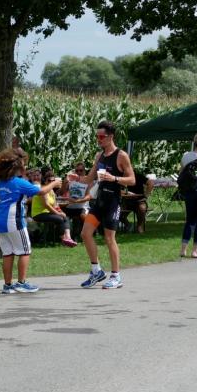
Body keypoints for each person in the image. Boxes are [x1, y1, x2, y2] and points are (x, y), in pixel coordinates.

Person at [0, 147, 62, 294]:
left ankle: (7, 286)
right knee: (25, 251)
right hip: (14, 221)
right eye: (24, 164)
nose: (26, 167)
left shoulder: (1, 182)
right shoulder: (18, 182)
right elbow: (42, 191)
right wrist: (55, 183)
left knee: (8, 253)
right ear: (18, 167)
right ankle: (21, 283)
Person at [79, 120, 135, 290]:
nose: (99, 139)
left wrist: (114, 178)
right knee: (85, 233)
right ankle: (96, 271)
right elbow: (89, 178)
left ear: (111, 136)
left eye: (101, 136)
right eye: (97, 136)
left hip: (113, 202)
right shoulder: (99, 156)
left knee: (109, 238)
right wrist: (77, 179)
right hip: (100, 201)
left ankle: (116, 276)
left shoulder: (121, 155)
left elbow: (132, 180)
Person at [31, 170, 78, 247]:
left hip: (47, 212)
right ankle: (63, 240)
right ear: (45, 181)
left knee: (65, 217)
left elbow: (55, 204)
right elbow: (46, 205)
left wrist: (61, 212)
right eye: (49, 180)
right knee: (59, 219)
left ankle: (68, 238)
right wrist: (58, 213)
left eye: (53, 181)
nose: (51, 182)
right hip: (38, 214)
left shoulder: (51, 191)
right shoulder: (43, 189)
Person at [121, 168, 154, 233]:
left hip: (139, 200)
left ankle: (139, 226)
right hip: (126, 201)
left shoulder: (139, 176)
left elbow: (151, 183)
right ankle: (128, 225)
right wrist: (126, 193)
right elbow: (117, 189)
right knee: (118, 213)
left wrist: (146, 195)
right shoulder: (121, 178)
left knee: (142, 208)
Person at [63, 162, 90, 239]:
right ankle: (66, 236)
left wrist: (77, 201)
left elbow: (88, 197)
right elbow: (62, 192)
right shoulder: (71, 180)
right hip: (70, 206)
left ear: (84, 171)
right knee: (61, 214)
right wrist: (65, 182)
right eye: (77, 170)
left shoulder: (87, 180)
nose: (79, 172)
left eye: (81, 170)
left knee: (83, 216)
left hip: (82, 207)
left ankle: (87, 234)